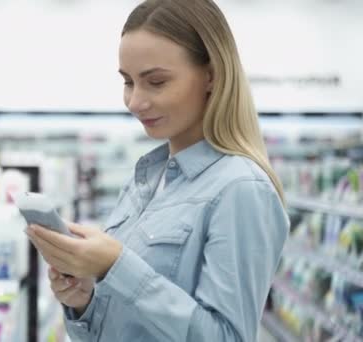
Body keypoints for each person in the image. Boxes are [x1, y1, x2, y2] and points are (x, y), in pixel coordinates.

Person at [25, 0, 289, 341]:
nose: (135, 102)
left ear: (211, 75)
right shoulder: (144, 182)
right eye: (128, 82)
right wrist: (84, 303)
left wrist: (115, 266)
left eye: (156, 82)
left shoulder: (241, 188)